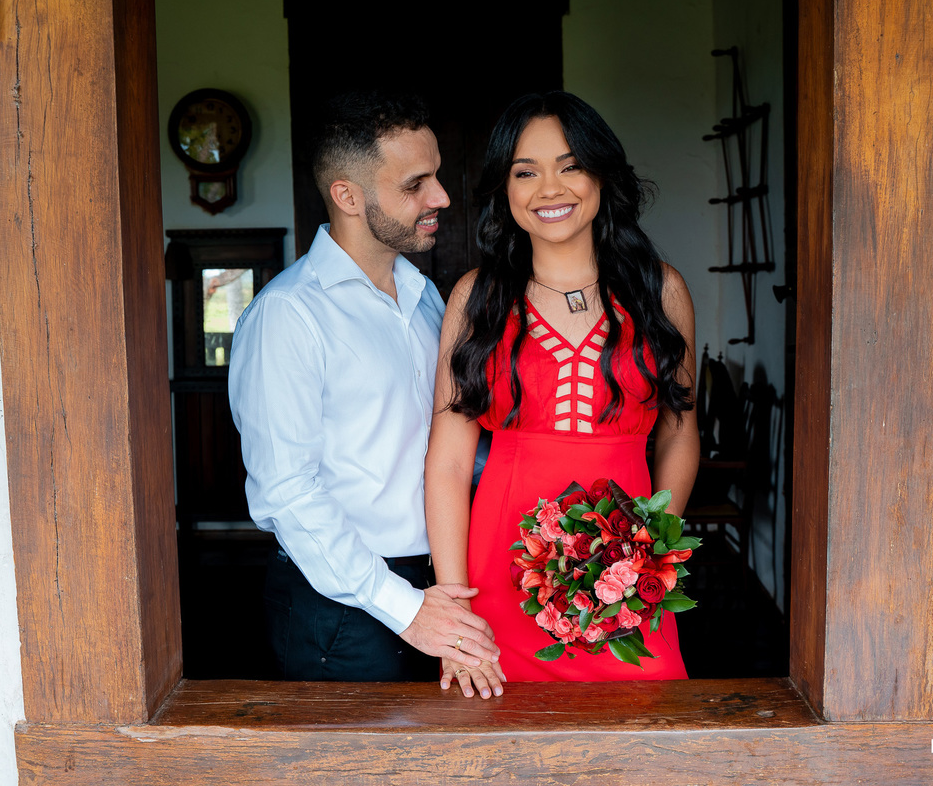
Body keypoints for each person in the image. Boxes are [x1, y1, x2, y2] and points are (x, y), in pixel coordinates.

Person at [425, 91, 700, 695]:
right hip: (499, 574)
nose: (550, 188)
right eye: (527, 172)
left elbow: (680, 438)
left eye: (570, 165)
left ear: (602, 174)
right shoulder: (478, 298)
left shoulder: (661, 291)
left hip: (627, 577)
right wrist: (455, 615)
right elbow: (447, 461)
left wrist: (647, 557)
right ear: (506, 189)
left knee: (645, 735)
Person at [229, 91, 502, 683]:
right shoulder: (288, 315)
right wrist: (406, 610)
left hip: (441, 585)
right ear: (347, 196)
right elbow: (287, 492)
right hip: (341, 611)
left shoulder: (428, 296)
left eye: (437, 176)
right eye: (415, 185)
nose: (441, 198)